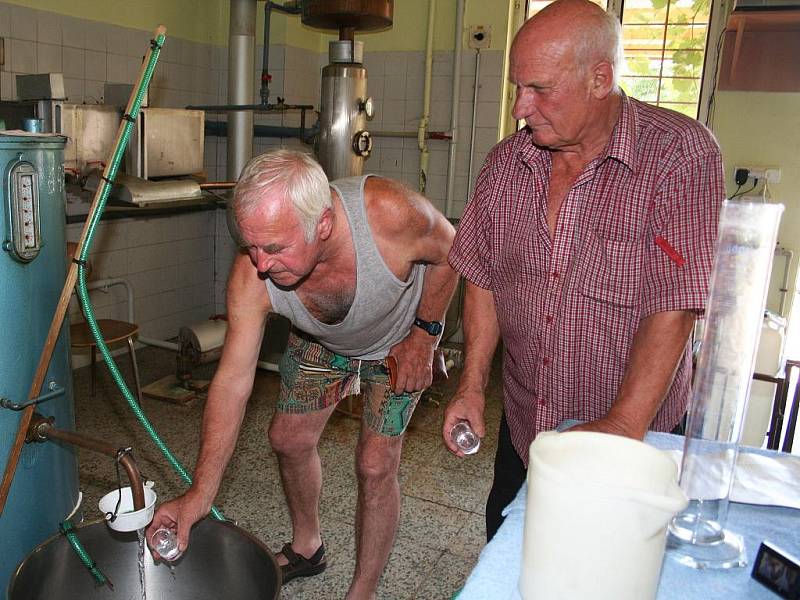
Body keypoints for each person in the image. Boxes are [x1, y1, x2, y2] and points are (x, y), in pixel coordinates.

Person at [442, 0, 725, 542]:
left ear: (601, 78)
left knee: (613, 566)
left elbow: (676, 304)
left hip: (634, 437)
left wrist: (621, 426)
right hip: (527, 428)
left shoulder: (680, 156)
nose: (521, 107)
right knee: (516, 553)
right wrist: (473, 386)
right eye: (517, 87)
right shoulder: (508, 162)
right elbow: (481, 275)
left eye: (540, 89)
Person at [147, 149, 457, 600]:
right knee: (287, 439)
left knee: (375, 464)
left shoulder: (389, 214)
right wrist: (200, 493)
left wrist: (426, 336)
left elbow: (455, 252)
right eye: (250, 245)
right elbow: (233, 382)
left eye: (274, 247)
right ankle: (307, 549)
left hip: (396, 342)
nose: (260, 264)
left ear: (324, 225)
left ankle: (362, 591)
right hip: (321, 340)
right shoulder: (253, 274)